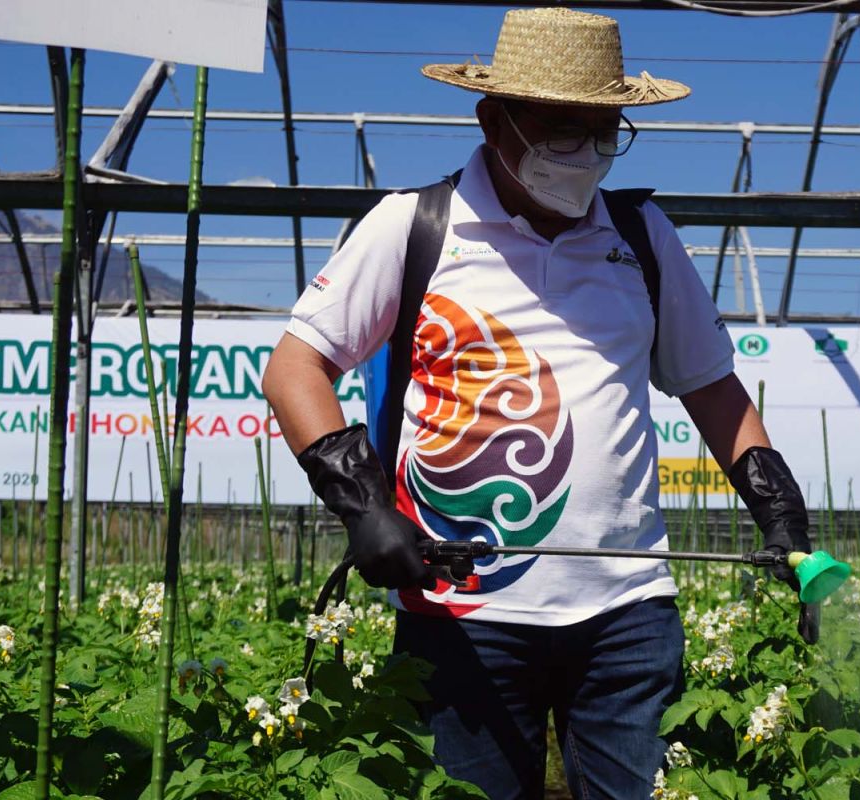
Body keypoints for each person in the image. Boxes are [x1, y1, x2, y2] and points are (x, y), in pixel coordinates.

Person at [262, 8, 813, 798]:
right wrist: (365, 510)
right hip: (464, 610)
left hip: (628, 610)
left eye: (604, 131)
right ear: (495, 119)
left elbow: (712, 387)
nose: (586, 154)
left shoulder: (642, 234)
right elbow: (295, 369)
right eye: (563, 130)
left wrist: (779, 512)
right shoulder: (415, 226)